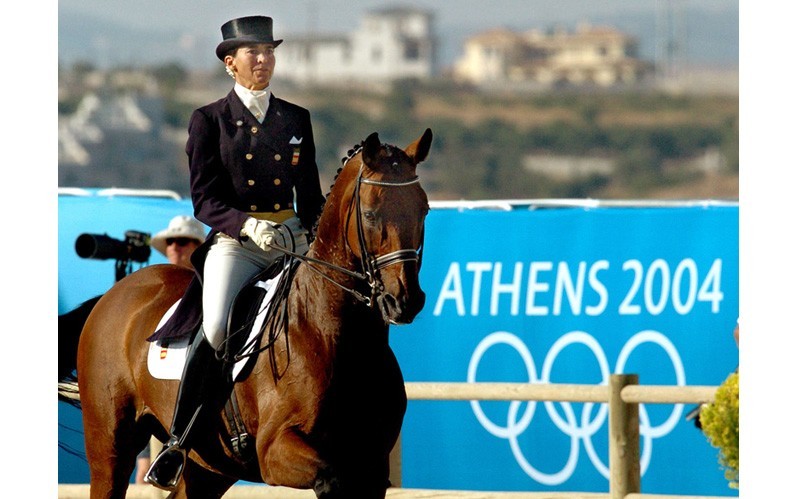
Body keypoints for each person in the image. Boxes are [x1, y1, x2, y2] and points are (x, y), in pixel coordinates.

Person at [144, 15, 326, 490]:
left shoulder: (296, 118)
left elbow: (309, 196)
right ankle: (180, 440)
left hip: (291, 238)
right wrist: (247, 226)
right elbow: (204, 200)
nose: (264, 60)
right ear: (231, 63)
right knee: (217, 326)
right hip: (238, 243)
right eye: (253, 52)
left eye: (269, 52)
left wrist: (314, 235)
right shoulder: (209, 120)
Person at [134, 215, 205, 484]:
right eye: (171, 241)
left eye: (183, 241)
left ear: (198, 247)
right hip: (155, 413)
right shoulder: (151, 298)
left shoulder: (214, 290)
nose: (175, 247)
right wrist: (143, 456)